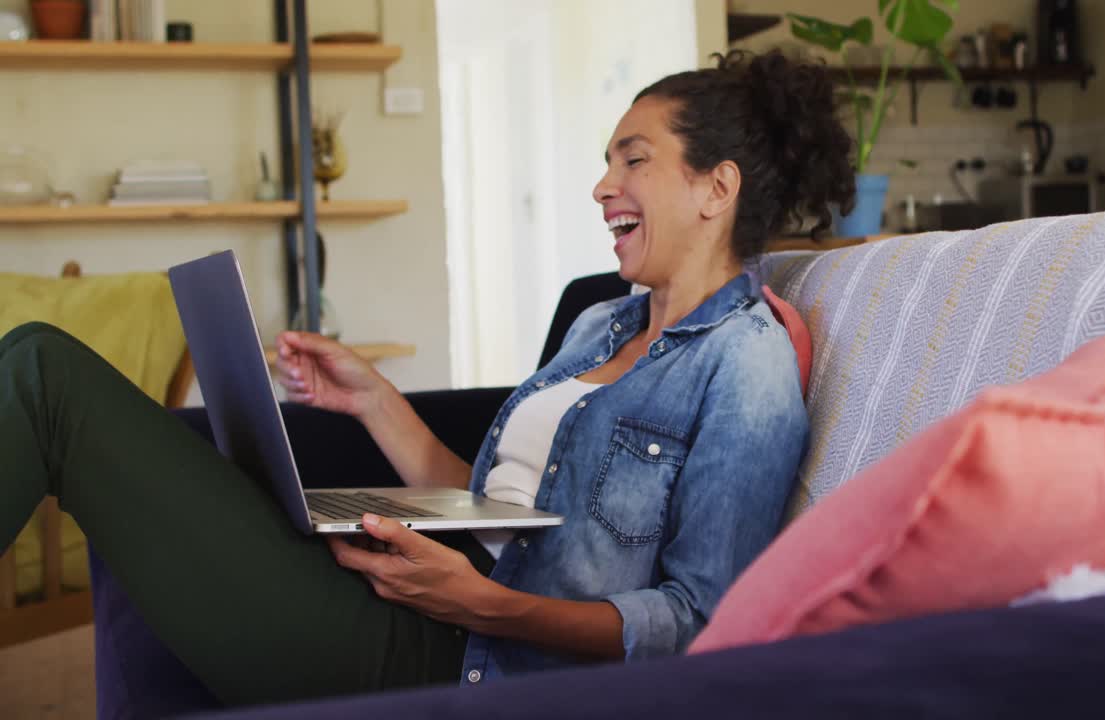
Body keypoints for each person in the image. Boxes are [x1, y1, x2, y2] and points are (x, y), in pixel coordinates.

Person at [0, 50, 854, 707]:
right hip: (424, 606)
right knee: (31, 365)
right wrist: (372, 399)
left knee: (43, 371)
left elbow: (698, 623)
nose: (602, 186)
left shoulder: (747, 367)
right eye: (607, 162)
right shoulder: (603, 323)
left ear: (717, 188)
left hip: (466, 662)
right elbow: (490, 500)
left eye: (634, 160)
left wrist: (482, 605)